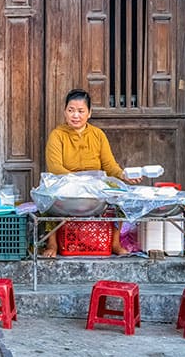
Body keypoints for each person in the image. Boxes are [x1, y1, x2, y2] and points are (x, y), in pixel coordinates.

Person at [43, 88, 143, 257]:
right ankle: (52, 244)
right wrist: (78, 182)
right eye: (71, 110)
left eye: (81, 111)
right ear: (64, 112)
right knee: (46, 197)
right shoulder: (57, 135)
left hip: (95, 186)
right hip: (66, 184)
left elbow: (109, 165)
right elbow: (55, 167)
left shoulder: (98, 135)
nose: (75, 115)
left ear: (89, 113)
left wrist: (123, 175)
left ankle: (115, 243)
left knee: (120, 196)